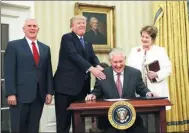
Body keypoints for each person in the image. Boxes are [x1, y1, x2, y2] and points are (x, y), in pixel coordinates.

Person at [53, 15, 106, 133]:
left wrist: (98, 65)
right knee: (63, 123)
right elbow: (74, 56)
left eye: (83, 23)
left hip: (81, 88)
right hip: (65, 88)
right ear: (72, 26)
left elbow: (92, 56)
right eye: (79, 23)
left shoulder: (87, 40)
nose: (82, 25)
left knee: (79, 122)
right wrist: (92, 69)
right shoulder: (67, 38)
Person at [85, 48, 158, 133]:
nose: (118, 65)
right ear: (110, 61)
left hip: (131, 116)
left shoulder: (135, 73)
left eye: (121, 61)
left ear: (125, 59)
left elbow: (142, 89)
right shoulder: (102, 73)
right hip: (108, 116)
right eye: (115, 62)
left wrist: (148, 92)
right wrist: (93, 95)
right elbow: (97, 90)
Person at [4, 19, 54, 133]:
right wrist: (11, 93)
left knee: (34, 127)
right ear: (24, 29)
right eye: (29, 26)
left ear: (38, 29)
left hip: (39, 95)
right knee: (19, 128)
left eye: (35, 26)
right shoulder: (13, 46)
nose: (32, 28)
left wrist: (49, 92)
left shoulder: (45, 48)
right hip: (19, 96)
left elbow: (48, 72)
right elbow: (9, 71)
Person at [127, 25, 172, 132]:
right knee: (141, 118)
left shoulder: (160, 51)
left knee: (154, 119)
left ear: (153, 39)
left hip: (155, 90)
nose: (144, 39)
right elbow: (128, 68)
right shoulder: (135, 50)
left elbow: (168, 69)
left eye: (147, 37)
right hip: (139, 91)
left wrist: (156, 75)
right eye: (142, 36)